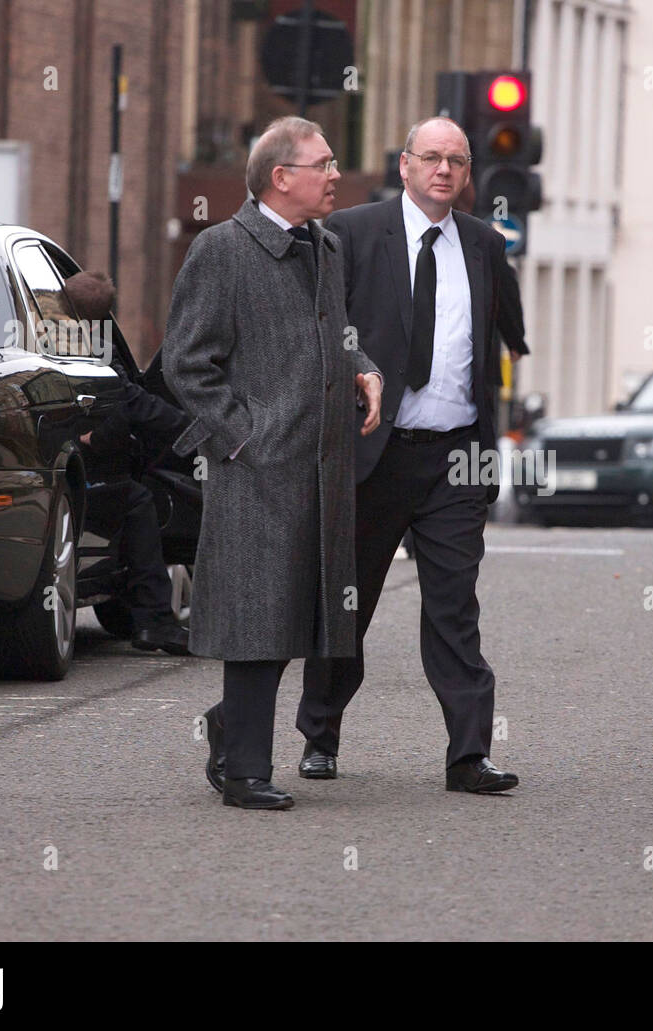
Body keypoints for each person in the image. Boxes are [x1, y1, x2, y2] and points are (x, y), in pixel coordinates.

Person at [163, 116, 383, 811]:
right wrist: (242, 438)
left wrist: (362, 367)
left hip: (322, 466)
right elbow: (187, 362)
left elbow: (331, 336)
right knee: (258, 620)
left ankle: (231, 726)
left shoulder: (326, 245)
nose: (335, 174)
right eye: (323, 163)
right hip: (258, 468)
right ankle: (244, 770)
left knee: (301, 615)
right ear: (281, 177)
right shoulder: (221, 250)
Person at [294, 116, 519, 793]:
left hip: (454, 456)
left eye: (457, 159)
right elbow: (325, 332)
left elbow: (496, 352)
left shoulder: (483, 244)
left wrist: (487, 455)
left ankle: (468, 754)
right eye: (432, 158)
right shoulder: (356, 233)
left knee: (455, 605)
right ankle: (321, 733)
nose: (444, 170)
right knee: (348, 598)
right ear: (405, 165)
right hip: (375, 451)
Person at [62, 271, 191, 656]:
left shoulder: (36, 332)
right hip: (83, 465)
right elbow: (121, 401)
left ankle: (151, 618)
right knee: (136, 503)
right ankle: (156, 621)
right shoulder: (93, 341)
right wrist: (187, 425)